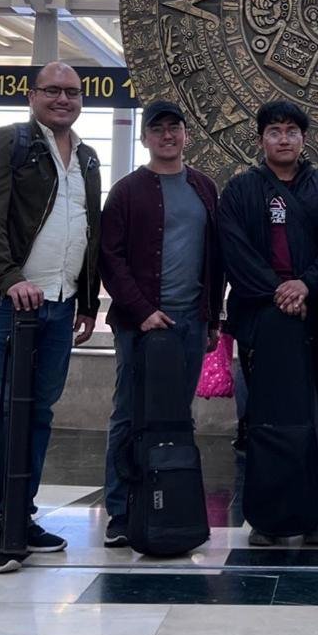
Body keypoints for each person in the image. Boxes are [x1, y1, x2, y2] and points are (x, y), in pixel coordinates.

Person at [0, 62, 101, 574]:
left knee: (39, 412)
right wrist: (9, 278)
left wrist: (88, 301)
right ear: (32, 95)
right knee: (0, 411)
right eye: (52, 90)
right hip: (4, 301)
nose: (63, 99)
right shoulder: (6, 143)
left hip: (59, 304)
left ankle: (21, 513)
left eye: (72, 92)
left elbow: (88, 229)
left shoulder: (86, 157)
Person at [217, 100, 318, 546]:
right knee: (261, 415)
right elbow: (234, 251)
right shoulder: (240, 190)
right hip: (260, 317)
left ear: (304, 139)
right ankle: (267, 514)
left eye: (292, 131)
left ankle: (316, 512)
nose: (284, 139)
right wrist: (278, 291)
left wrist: (305, 285)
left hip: (313, 316)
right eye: (275, 131)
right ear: (261, 140)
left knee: (314, 410)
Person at [99, 100, 223, 550]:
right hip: (141, 325)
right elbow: (109, 259)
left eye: (174, 127)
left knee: (177, 416)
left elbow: (215, 257)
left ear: (186, 134)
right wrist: (142, 311)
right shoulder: (127, 191)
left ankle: (170, 504)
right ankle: (120, 511)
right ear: (144, 137)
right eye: (158, 129)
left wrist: (213, 317)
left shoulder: (204, 187)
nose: (167, 136)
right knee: (129, 413)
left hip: (192, 321)